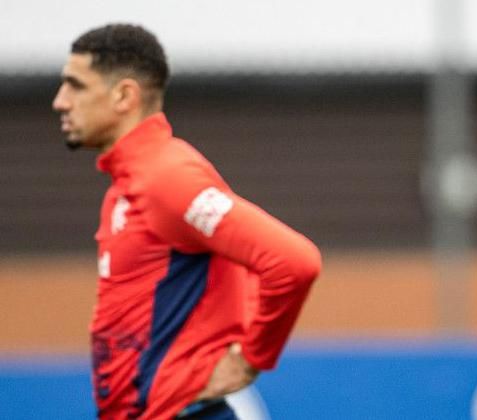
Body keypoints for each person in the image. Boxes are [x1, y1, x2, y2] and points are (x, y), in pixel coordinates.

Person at [52, 24, 322, 419]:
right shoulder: (128, 188)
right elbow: (231, 265)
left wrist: (250, 357)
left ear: (125, 96)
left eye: (75, 86)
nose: (60, 101)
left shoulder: (168, 177)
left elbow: (294, 261)